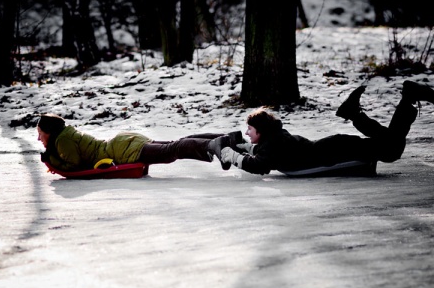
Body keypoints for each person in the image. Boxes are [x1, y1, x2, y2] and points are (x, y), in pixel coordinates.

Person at [210, 80, 434, 175]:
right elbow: (263, 153)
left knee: (391, 149)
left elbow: (260, 166)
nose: (247, 133)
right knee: (388, 145)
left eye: (250, 129)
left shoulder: (274, 144)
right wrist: (244, 147)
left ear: (261, 131)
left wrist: (232, 155)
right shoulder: (275, 139)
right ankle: (355, 112)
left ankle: (405, 98)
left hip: (334, 151)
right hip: (333, 146)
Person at [36, 113, 241, 172]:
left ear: (49, 132)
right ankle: (226, 139)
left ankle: (212, 145)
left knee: (173, 149)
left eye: (40, 134)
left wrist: (51, 159)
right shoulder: (66, 133)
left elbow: (75, 165)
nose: (38, 138)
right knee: (175, 143)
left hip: (123, 151)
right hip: (123, 141)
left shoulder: (62, 141)